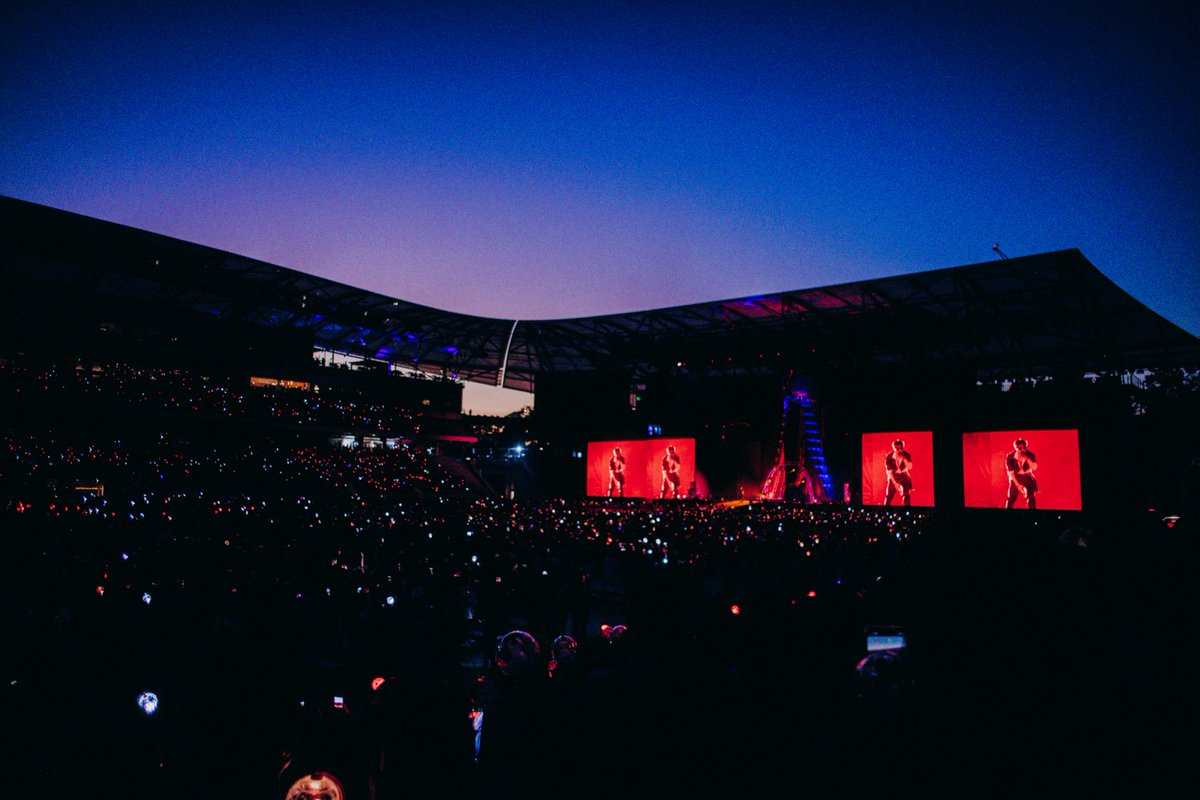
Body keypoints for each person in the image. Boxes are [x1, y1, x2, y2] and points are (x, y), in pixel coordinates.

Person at [1005, 437, 1038, 509]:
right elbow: (1011, 473)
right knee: (1011, 498)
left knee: (1031, 498)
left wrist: (1027, 458)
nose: (1022, 450)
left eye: (1024, 448)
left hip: (1027, 476)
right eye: (1020, 448)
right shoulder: (1010, 457)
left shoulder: (1030, 455)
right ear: (1016, 448)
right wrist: (1018, 485)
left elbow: (1034, 468)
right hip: (1016, 477)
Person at [884, 439, 913, 507]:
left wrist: (904, 459)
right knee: (889, 496)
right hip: (893, 476)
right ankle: (885, 510)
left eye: (901, 448)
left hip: (903, 475)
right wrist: (895, 483)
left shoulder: (906, 455)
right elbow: (889, 472)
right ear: (894, 448)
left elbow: (909, 467)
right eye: (897, 448)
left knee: (906, 495)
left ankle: (908, 511)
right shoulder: (889, 456)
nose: (899, 450)